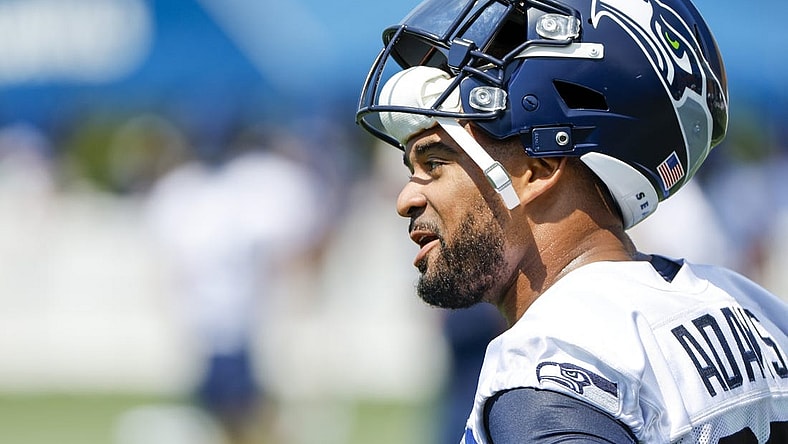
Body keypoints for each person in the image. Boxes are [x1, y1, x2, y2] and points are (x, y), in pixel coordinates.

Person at [355, 0, 788, 442]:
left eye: (435, 162)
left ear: (538, 168)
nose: (406, 198)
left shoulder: (552, 362)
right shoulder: (761, 314)